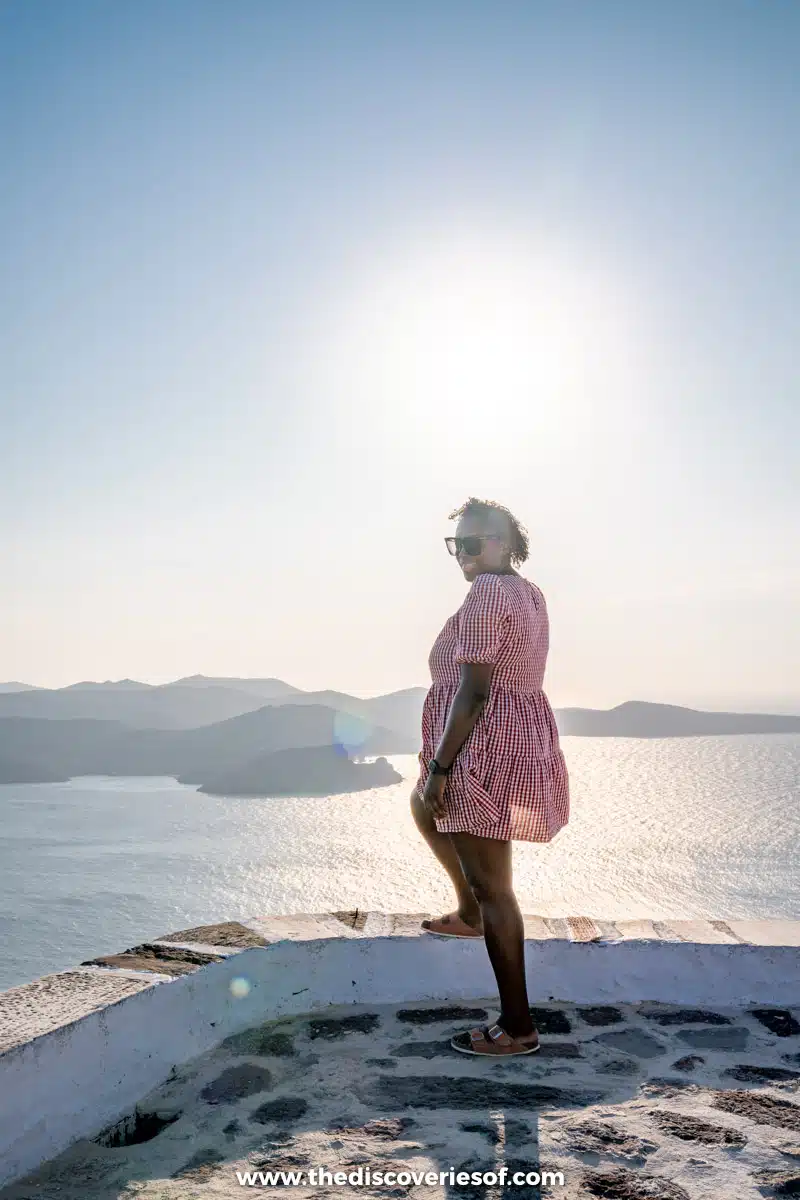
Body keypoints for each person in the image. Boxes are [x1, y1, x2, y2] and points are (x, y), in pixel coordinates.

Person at [411, 497, 570, 1057]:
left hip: (484, 744)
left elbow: (474, 691)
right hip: (517, 737)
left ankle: (518, 1026)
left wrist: (441, 766)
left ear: (504, 545)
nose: (463, 554)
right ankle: (471, 912)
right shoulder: (529, 592)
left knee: (495, 885)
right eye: (457, 544)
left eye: (474, 543)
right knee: (424, 809)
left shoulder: (486, 594)